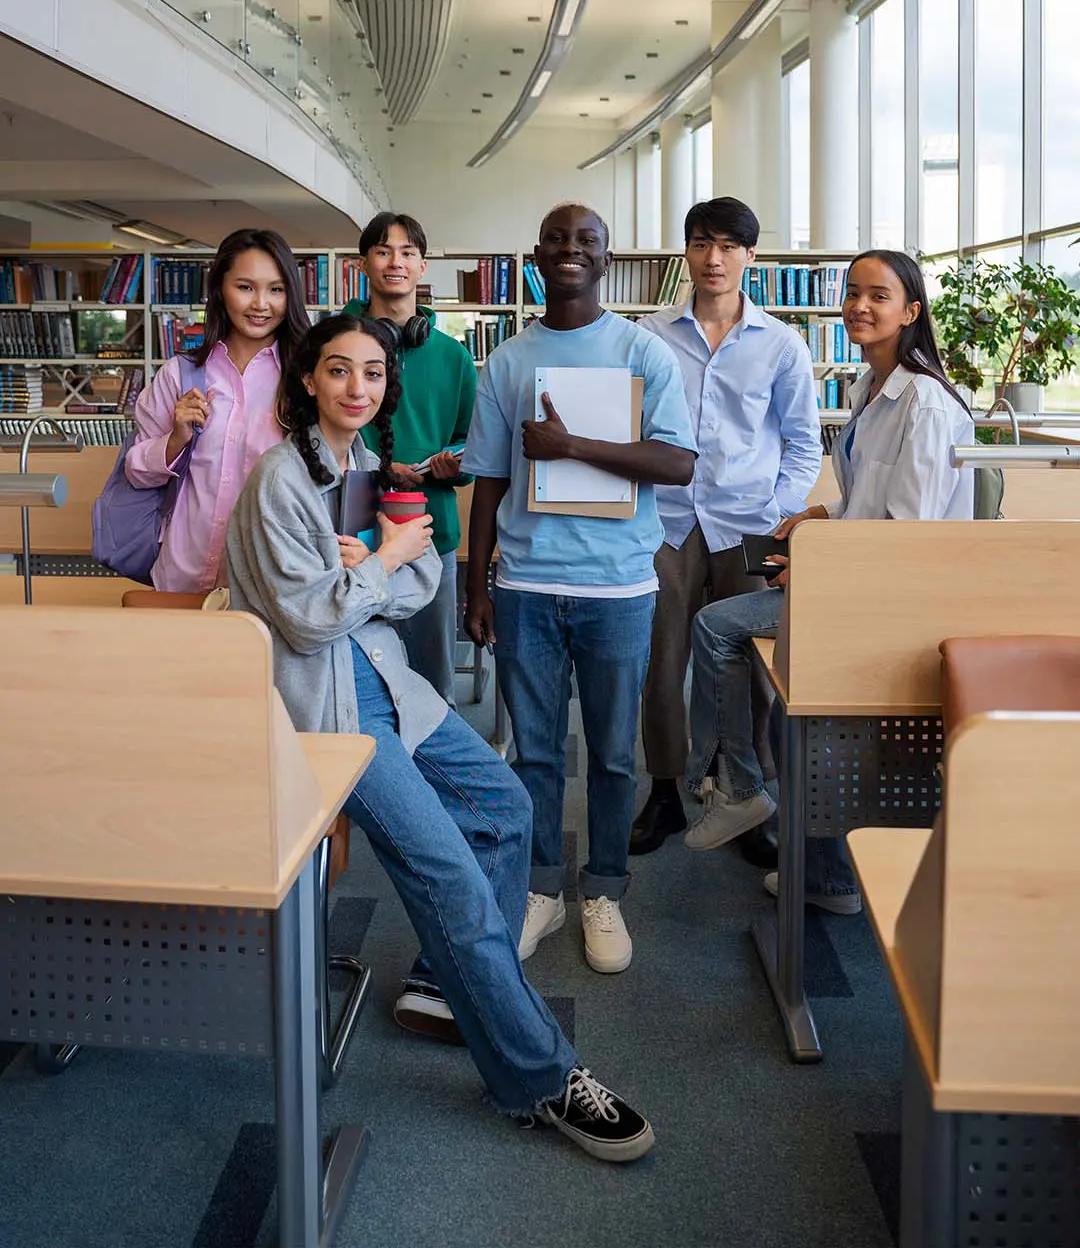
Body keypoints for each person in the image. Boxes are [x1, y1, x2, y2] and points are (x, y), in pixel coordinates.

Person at [226, 312, 655, 1163]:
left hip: (386, 681)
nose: (358, 387)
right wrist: (376, 567)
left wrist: (374, 568)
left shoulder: (370, 469)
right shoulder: (281, 479)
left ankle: (452, 986)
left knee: (503, 807)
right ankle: (539, 1074)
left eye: (375, 375)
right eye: (341, 371)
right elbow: (313, 625)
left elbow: (419, 582)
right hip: (326, 709)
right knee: (450, 873)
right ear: (309, 379)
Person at [684, 250, 975, 911]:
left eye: (878, 295)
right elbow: (871, 500)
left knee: (719, 627)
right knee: (798, 706)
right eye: (852, 293)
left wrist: (817, 563)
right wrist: (822, 514)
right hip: (858, 582)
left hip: (887, 603)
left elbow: (907, 532)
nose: (859, 306)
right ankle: (826, 874)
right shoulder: (867, 388)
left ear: (912, 311)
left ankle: (740, 789)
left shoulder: (922, 403)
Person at [463, 204, 696, 975]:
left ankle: (603, 891)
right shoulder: (506, 361)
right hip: (526, 583)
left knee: (612, 755)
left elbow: (677, 465)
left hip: (619, 588)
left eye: (585, 241)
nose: (571, 250)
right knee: (532, 752)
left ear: (605, 258)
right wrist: (478, 585)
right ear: (537, 256)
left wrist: (571, 447)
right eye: (558, 239)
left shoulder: (644, 352)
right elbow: (489, 483)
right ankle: (540, 890)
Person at [630, 197, 821, 857]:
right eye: (702, 243)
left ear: (751, 256)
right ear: (685, 251)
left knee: (756, 668)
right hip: (667, 522)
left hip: (755, 528)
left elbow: (803, 445)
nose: (714, 258)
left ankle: (742, 793)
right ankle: (663, 791)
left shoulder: (782, 344)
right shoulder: (648, 337)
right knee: (662, 663)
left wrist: (781, 515)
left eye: (728, 246)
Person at [124, 227, 309, 591]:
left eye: (276, 289)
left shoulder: (307, 380)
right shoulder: (181, 374)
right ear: (220, 291)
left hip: (270, 583)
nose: (261, 304)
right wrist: (176, 439)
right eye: (245, 287)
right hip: (181, 574)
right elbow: (136, 473)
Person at [342, 212, 476, 708]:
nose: (394, 262)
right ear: (362, 264)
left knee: (433, 684)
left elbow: (471, 444)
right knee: (353, 681)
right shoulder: (339, 344)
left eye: (406, 253)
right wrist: (378, 466)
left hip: (427, 535)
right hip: (350, 535)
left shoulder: (453, 357)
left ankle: (434, 784)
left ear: (422, 266)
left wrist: (454, 466)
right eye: (382, 251)